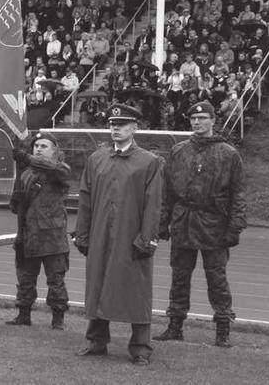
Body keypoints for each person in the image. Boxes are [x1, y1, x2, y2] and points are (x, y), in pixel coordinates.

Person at [74, 103, 163, 365]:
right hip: (100, 233)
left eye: (122, 124)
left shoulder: (149, 162)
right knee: (98, 286)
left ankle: (141, 347)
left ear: (135, 127)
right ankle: (96, 341)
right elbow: (85, 198)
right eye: (112, 124)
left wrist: (146, 239)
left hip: (131, 236)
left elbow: (154, 204)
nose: (116, 128)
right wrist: (82, 233)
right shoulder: (97, 159)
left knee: (137, 290)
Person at [154, 101, 246, 348]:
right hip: (183, 221)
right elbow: (167, 192)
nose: (197, 122)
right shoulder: (179, 151)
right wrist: (163, 223)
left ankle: (223, 329)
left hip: (214, 223)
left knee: (216, 278)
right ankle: (175, 325)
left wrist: (235, 227)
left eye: (203, 118)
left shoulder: (228, 154)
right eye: (194, 119)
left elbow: (238, 194)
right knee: (179, 277)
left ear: (213, 120)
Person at [7, 131, 71, 329]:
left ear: (54, 151)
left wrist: (27, 158)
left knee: (56, 279)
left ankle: (58, 317)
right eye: (36, 146)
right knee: (25, 278)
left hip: (52, 235)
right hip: (29, 234)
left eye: (44, 146)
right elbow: (16, 205)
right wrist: (15, 200)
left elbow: (59, 172)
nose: (39, 149)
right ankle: (23, 314)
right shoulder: (26, 173)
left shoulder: (59, 169)